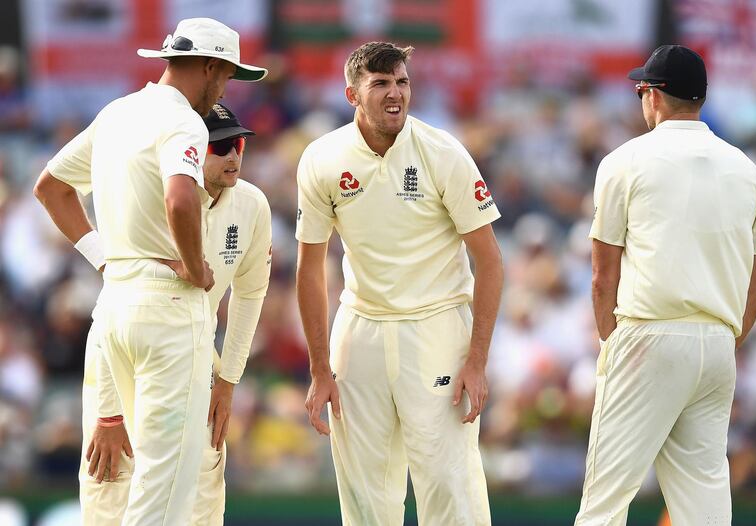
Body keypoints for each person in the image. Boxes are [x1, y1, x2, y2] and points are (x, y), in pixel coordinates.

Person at [33, 18, 266, 525]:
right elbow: (181, 199)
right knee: (166, 495)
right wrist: (193, 263)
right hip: (168, 311)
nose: (223, 90)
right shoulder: (184, 121)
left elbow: (50, 187)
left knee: (137, 492)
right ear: (210, 67)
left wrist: (103, 258)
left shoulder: (117, 112)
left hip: (117, 303)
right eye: (225, 77)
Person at [295, 42, 503, 525]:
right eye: (381, 84)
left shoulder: (442, 152)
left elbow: (490, 262)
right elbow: (310, 267)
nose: (396, 94)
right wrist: (320, 368)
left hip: (436, 327)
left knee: (448, 485)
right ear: (352, 94)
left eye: (402, 82)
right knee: (365, 494)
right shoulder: (322, 158)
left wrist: (476, 360)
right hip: (361, 327)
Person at [575, 45, 756, 525]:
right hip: (717, 346)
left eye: (641, 89)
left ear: (653, 96)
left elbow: (604, 277)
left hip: (648, 335)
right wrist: (724, 340)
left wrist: (613, 340)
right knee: (703, 502)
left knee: (604, 500)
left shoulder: (625, 161)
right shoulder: (747, 170)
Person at [71, 103, 271, 525]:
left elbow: (250, 294)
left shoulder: (251, 204)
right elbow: (117, 305)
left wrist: (230, 380)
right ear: (193, 150)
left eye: (238, 144)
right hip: (124, 347)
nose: (234, 156)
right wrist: (109, 412)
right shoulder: (160, 197)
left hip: (195, 346)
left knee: (199, 484)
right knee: (114, 481)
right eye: (220, 147)